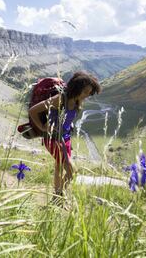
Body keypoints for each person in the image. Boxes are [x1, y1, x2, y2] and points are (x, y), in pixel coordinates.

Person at [28, 71, 101, 199]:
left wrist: (69, 125)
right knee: (72, 171)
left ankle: (57, 197)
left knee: (59, 167)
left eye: (90, 93)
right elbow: (33, 111)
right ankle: (59, 196)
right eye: (85, 92)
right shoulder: (60, 99)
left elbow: (67, 117)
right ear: (77, 88)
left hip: (65, 138)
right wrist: (42, 127)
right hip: (53, 138)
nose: (87, 95)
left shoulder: (77, 101)